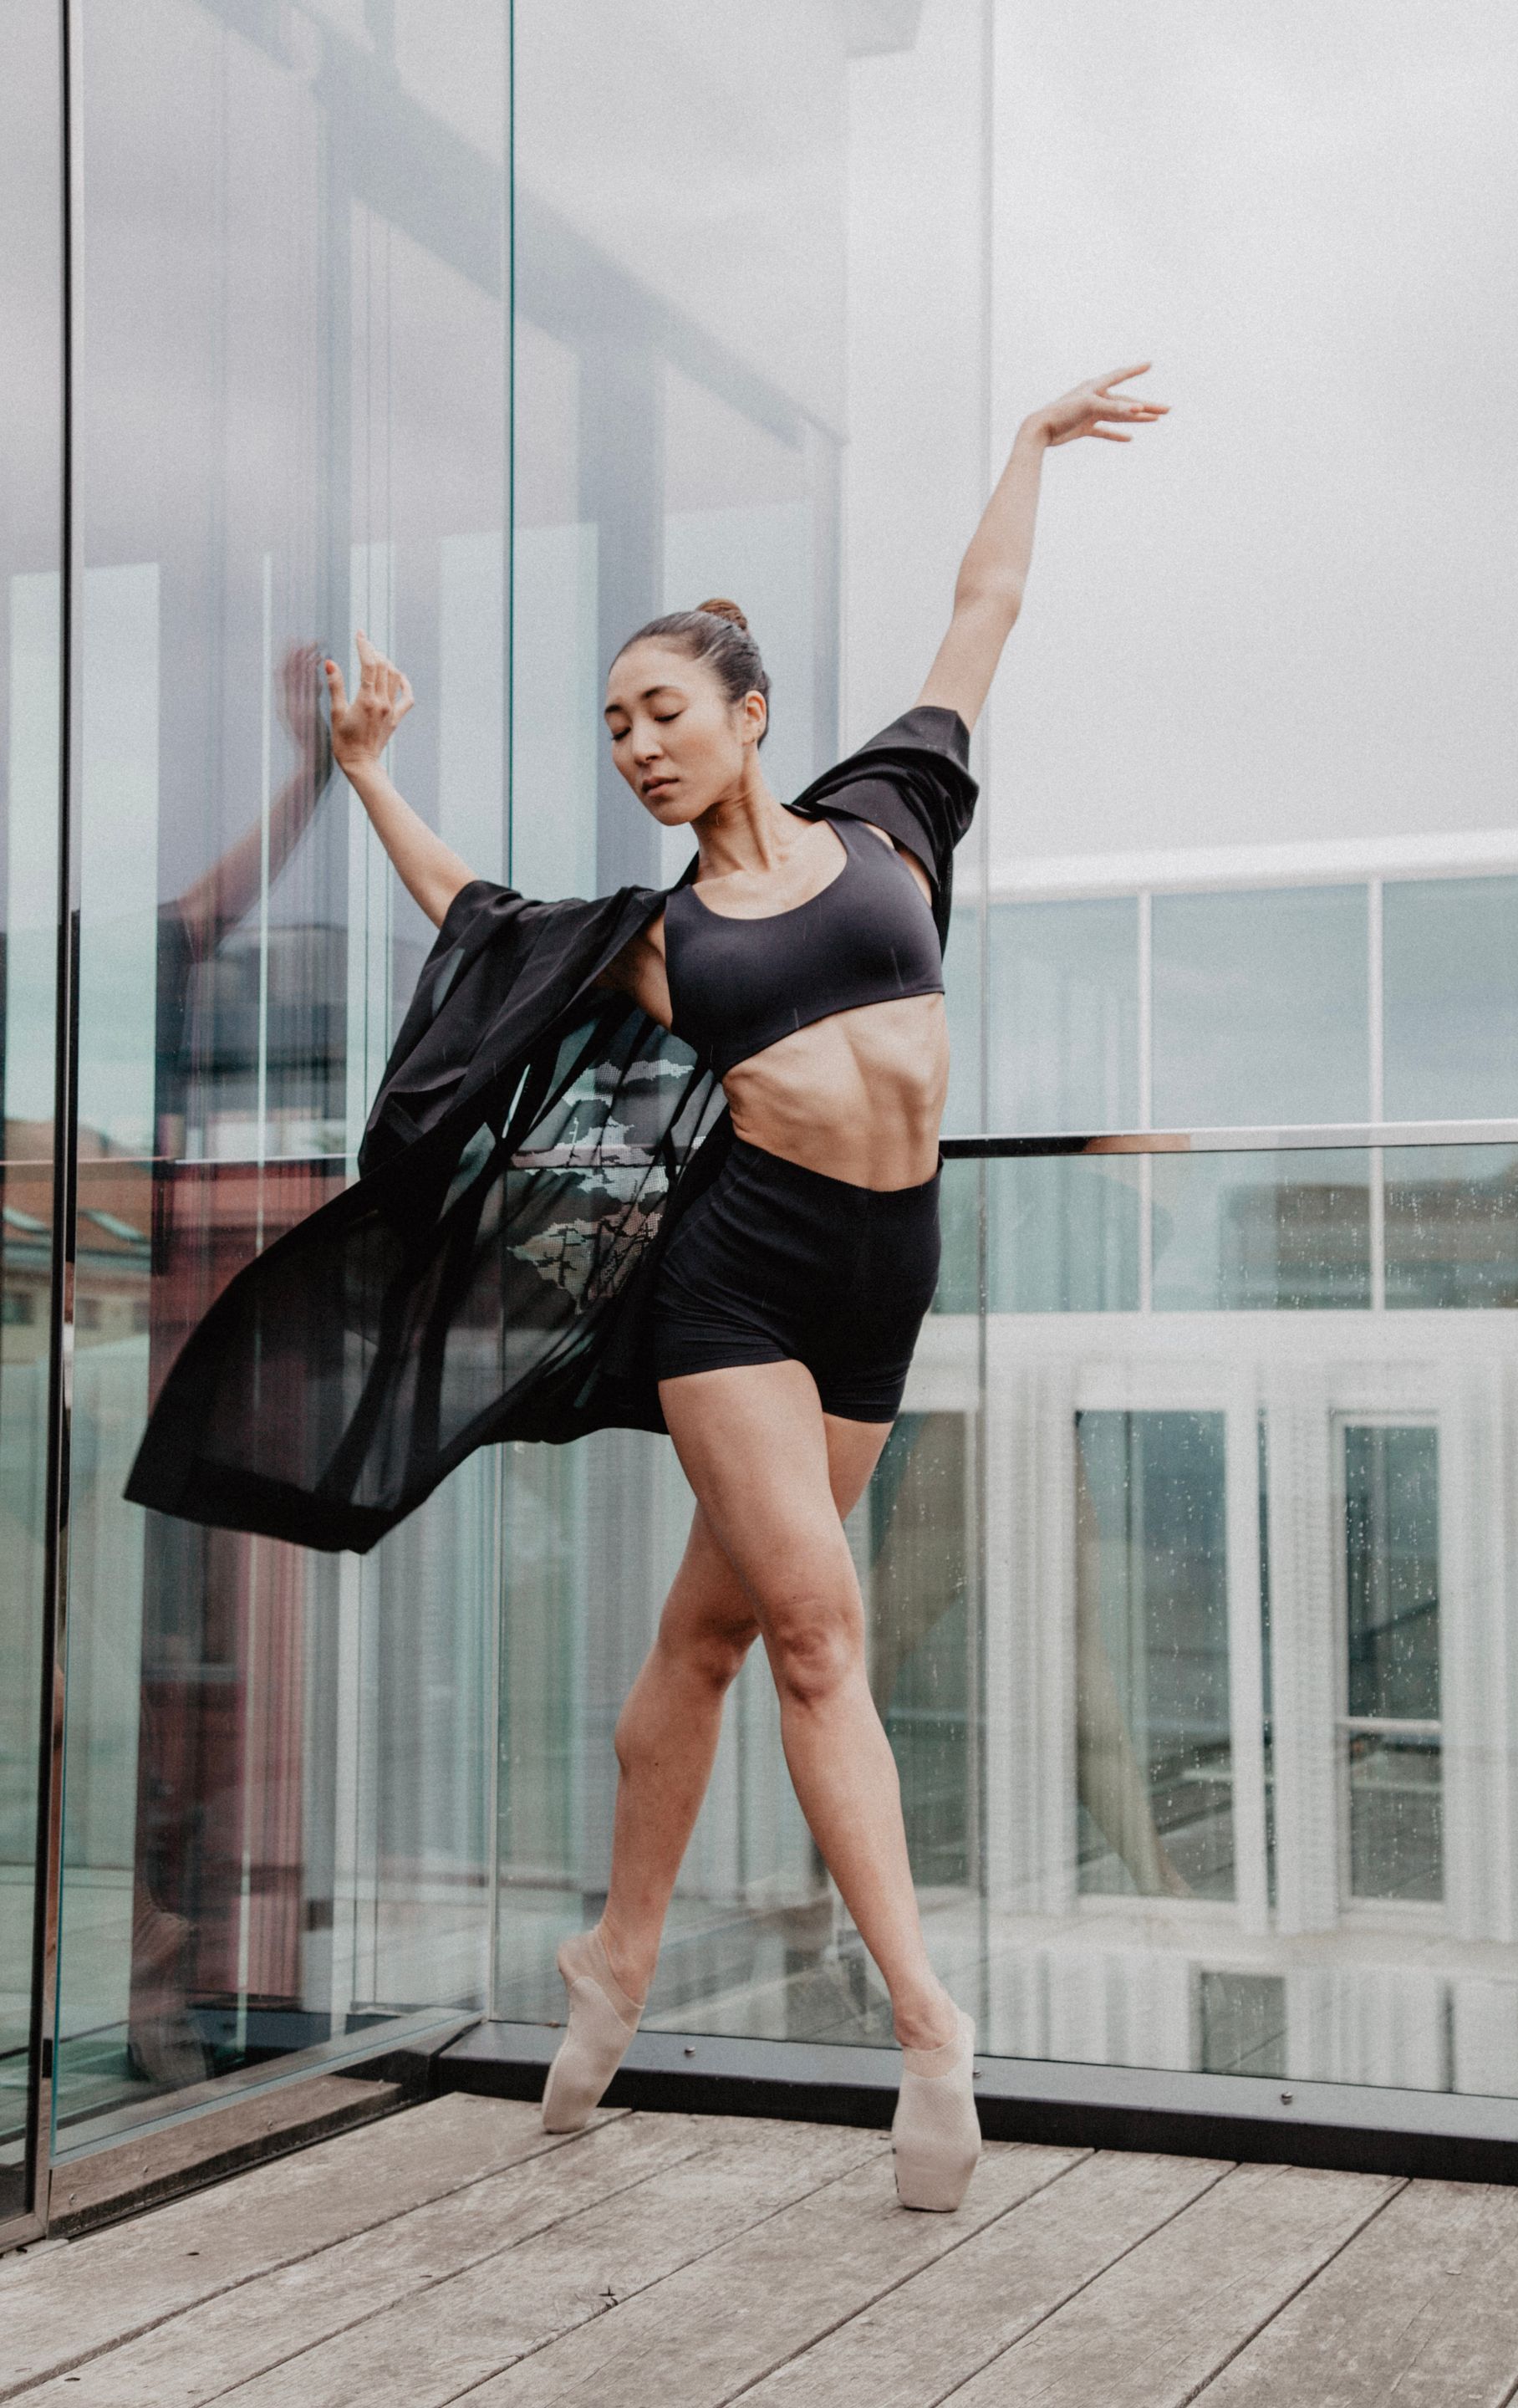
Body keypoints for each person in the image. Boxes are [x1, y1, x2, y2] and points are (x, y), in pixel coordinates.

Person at [130, 362, 1166, 2210]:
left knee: (707, 1640)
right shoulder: (655, 939)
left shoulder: (890, 816)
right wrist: (364, 775)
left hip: (884, 1285)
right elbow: (474, 919)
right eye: (614, 727)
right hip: (735, 1296)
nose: (637, 745)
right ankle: (930, 2027)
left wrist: (1025, 447)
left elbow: (984, 610)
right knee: (820, 1637)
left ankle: (611, 1961)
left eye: (664, 710)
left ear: (748, 715)